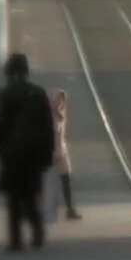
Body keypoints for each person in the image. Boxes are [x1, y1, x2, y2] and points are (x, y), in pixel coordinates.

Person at [0, 53, 55, 252]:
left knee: (13, 197)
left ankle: (15, 239)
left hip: (12, 154)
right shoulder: (38, 93)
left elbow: (0, 126)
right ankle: (37, 228)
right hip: (34, 154)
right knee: (30, 195)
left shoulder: (6, 94)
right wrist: (47, 154)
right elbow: (47, 127)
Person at [50, 89, 81, 221]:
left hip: (61, 150)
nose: (60, 103)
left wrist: (61, 151)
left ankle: (69, 209)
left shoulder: (61, 114)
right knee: (45, 182)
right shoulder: (49, 115)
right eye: (58, 100)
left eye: (62, 100)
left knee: (66, 180)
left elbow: (61, 135)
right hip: (50, 151)